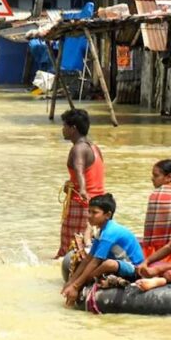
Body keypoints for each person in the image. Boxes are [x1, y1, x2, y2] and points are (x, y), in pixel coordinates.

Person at [61, 194, 144, 306]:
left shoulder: (109, 232)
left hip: (134, 268)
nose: (89, 216)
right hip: (119, 262)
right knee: (85, 261)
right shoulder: (101, 231)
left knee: (108, 264)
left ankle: (86, 282)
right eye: (89, 211)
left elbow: (95, 262)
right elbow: (88, 259)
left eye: (94, 212)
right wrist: (70, 282)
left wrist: (76, 286)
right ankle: (82, 282)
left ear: (108, 215)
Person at [55, 108, 106, 259]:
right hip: (98, 203)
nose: (62, 129)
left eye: (64, 125)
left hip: (82, 204)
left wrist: (82, 189)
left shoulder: (78, 148)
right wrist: (71, 184)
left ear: (73, 128)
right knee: (86, 246)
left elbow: (79, 170)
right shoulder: (93, 147)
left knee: (70, 250)